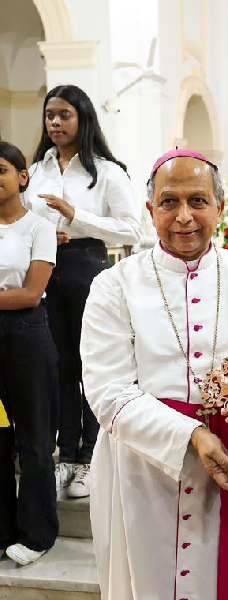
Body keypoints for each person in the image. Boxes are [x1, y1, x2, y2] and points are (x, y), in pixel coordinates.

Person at [80, 150, 228, 599]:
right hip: (143, 467)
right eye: (169, 202)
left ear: (219, 207)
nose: (184, 217)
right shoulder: (113, 284)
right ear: (150, 210)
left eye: (198, 201)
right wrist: (194, 434)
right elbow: (108, 393)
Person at [24, 84, 142, 500]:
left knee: (90, 364)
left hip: (87, 268)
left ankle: (92, 457)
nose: (55, 122)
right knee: (58, 367)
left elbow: (133, 229)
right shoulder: (38, 170)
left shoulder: (107, 171)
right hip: (44, 271)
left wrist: (78, 217)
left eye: (63, 115)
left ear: (83, 119)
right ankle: (67, 457)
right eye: (49, 115)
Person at [0, 141, 59, 566]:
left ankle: (37, 533)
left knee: (34, 438)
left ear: (22, 177)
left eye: (0, 170)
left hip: (25, 338)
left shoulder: (38, 227)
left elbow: (32, 293)